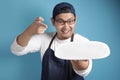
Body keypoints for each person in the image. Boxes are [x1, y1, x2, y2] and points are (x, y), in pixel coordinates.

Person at [11, 2, 92, 80]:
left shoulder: (82, 42)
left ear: (75, 20)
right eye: (61, 21)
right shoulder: (43, 39)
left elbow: (84, 72)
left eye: (70, 21)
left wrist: (78, 63)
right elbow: (16, 50)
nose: (66, 27)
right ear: (53, 22)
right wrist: (29, 31)